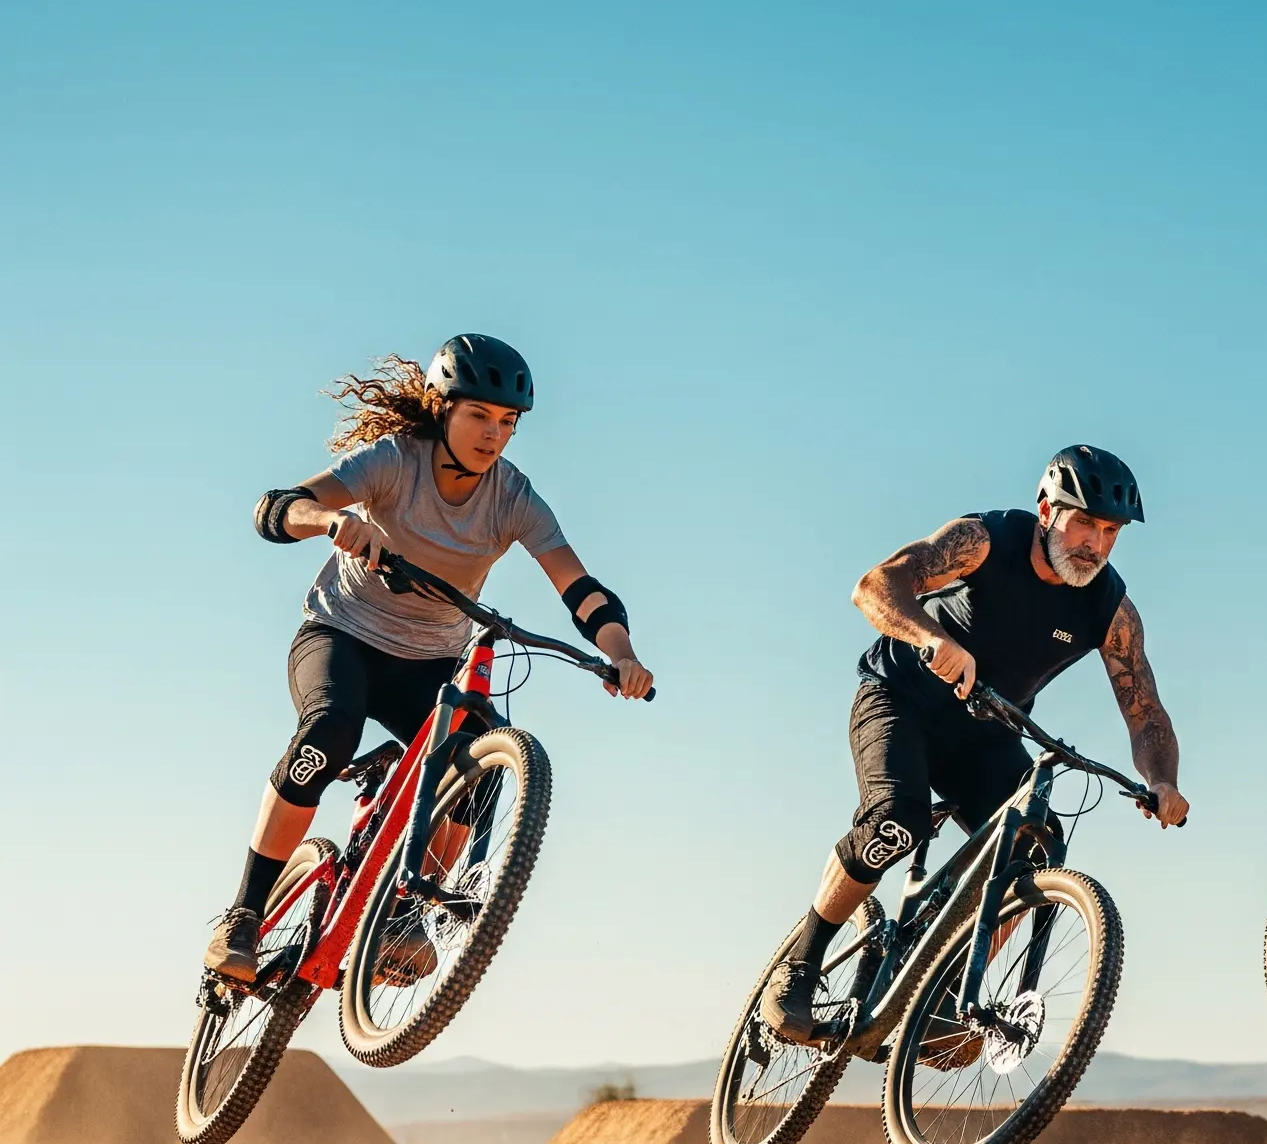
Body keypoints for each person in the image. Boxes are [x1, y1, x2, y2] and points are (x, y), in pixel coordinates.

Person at [203, 334, 654, 983]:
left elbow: (580, 589)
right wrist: (333, 523)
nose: (493, 434)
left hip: (429, 664)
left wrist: (621, 655)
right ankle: (242, 917)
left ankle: (408, 915)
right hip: (342, 636)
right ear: (443, 410)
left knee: (484, 761)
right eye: (479, 415)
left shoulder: (513, 498)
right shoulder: (395, 461)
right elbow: (275, 509)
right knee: (330, 730)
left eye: (508, 423)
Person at [762, 444, 1190, 1043]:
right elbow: (874, 587)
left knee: (1035, 851)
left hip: (984, 733)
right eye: (1084, 523)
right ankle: (800, 966)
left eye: (1110, 531)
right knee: (896, 822)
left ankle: (937, 995)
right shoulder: (985, 540)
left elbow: (1143, 708)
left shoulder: (1110, 608)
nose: (1095, 543)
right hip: (899, 699)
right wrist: (931, 638)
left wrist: (1163, 780)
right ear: (1047, 511)